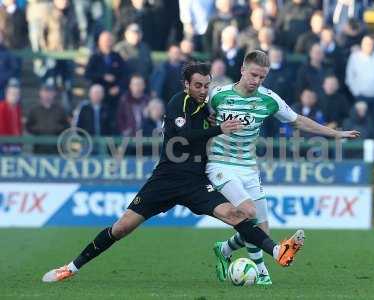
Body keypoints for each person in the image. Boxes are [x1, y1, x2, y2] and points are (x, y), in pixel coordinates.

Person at [42, 62, 305, 283]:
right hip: (166, 179)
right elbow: (184, 135)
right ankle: (71, 267)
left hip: (195, 182)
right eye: (198, 85)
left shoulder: (210, 109)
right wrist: (218, 129)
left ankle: (278, 250)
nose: (203, 90)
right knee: (122, 228)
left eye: (207, 85)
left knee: (236, 214)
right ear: (186, 85)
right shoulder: (179, 102)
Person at [207, 50, 359, 285]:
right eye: (254, 75)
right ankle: (263, 272)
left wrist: (335, 133)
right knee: (249, 212)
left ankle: (225, 249)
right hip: (220, 165)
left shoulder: (269, 99)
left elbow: (298, 120)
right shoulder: (217, 95)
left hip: (248, 167)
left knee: (261, 230)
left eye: (262, 77)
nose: (256, 81)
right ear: (242, 70)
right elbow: (200, 121)